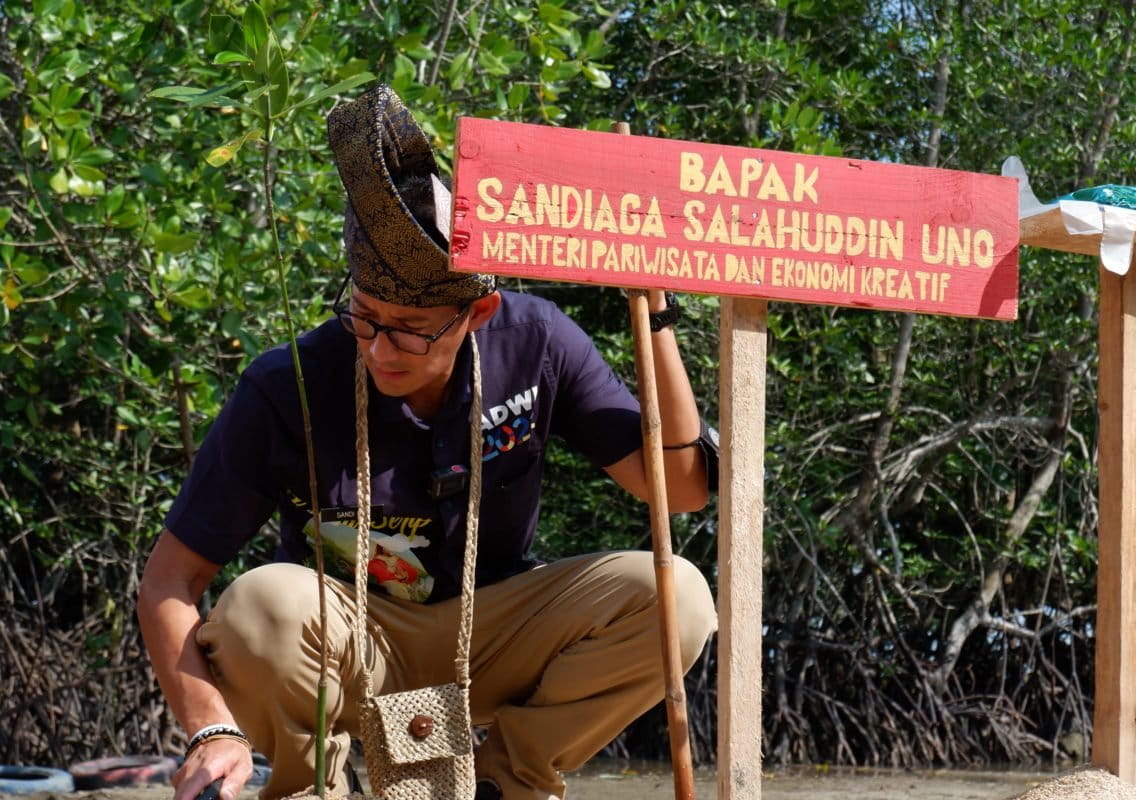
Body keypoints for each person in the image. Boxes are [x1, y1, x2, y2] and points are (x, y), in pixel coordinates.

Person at [137, 85, 718, 800]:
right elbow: (169, 582)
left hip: (491, 634)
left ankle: (508, 783)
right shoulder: (285, 384)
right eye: (365, 316)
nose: (382, 350)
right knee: (261, 603)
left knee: (676, 594)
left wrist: (655, 311)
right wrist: (210, 729)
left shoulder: (537, 343)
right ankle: (311, 788)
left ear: (478, 313)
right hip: (350, 648)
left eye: (413, 327)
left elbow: (683, 490)